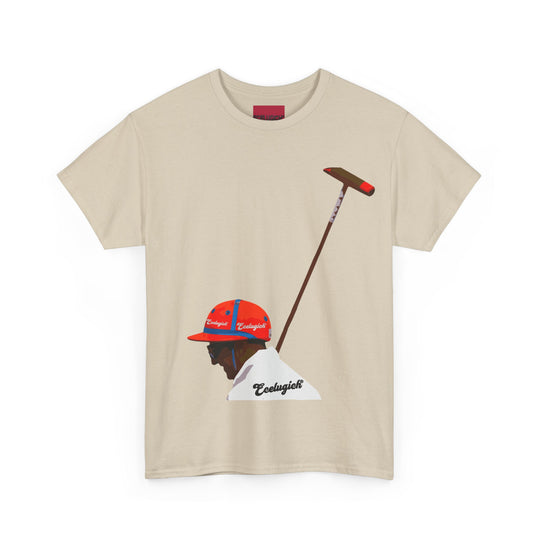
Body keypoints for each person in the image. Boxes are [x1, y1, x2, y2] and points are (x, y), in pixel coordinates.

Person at [187, 299, 321, 400]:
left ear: (241, 346)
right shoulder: (301, 387)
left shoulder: (242, 394)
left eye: (214, 351)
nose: (214, 362)